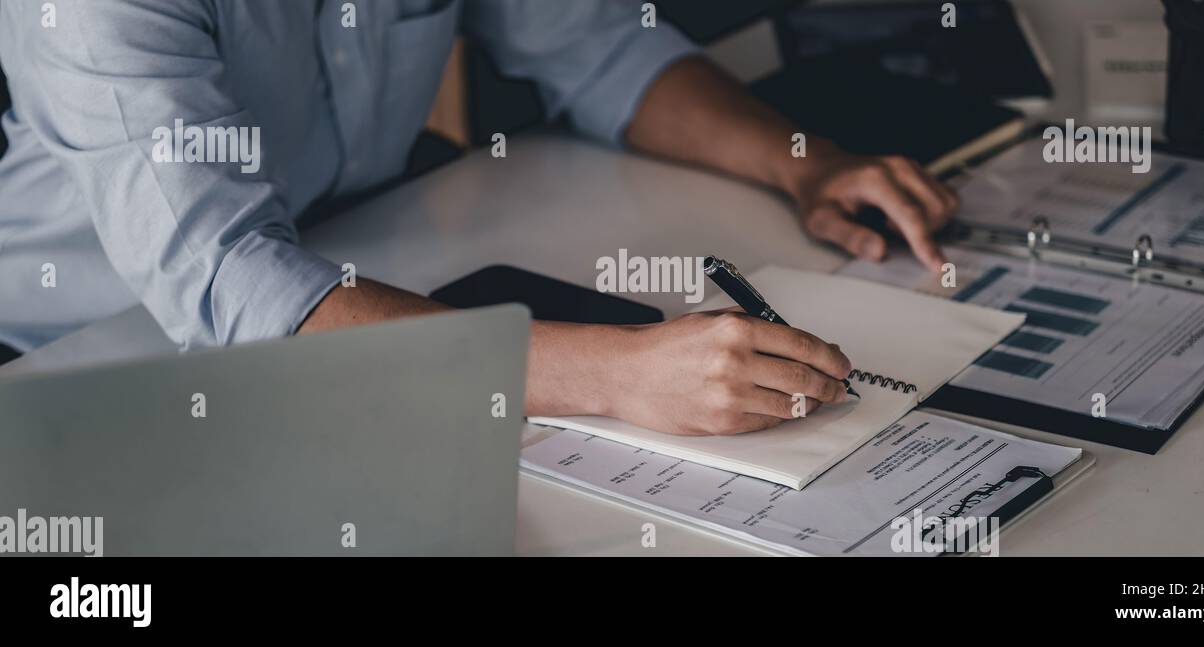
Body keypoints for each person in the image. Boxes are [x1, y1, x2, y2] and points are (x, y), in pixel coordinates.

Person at [0, 0, 957, 436]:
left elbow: (597, 46)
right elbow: (234, 289)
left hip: (354, 271)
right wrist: (617, 372)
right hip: (80, 359)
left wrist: (801, 162)